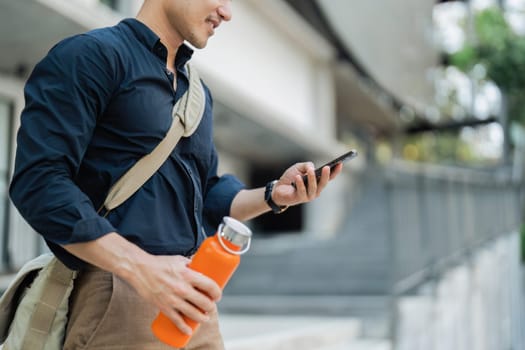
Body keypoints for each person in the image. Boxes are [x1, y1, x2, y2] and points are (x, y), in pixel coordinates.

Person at [9, 0, 343, 348]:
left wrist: (275, 194)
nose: (227, 13)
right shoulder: (90, 56)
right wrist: (142, 270)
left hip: (193, 299)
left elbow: (208, 196)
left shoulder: (197, 92)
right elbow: (40, 183)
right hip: (118, 296)